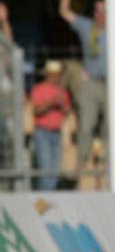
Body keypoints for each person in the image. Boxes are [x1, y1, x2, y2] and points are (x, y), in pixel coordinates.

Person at [59, 0, 115, 175]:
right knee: (86, 125)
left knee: (112, 127)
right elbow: (64, 12)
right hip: (92, 82)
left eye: (104, 10)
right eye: (98, 10)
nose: (101, 14)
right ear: (94, 12)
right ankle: (80, 164)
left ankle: (111, 166)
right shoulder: (87, 26)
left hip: (113, 85)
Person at [29, 60, 72, 191]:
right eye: (53, 74)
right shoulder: (39, 89)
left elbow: (67, 111)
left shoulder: (62, 92)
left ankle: (49, 198)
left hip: (56, 133)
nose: (55, 77)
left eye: (57, 74)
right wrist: (51, 102)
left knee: (54, 170)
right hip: (43, 133)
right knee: (45, 169)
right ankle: (44, 200)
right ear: (47, 74)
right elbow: (36, 111)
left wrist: (62, 105)